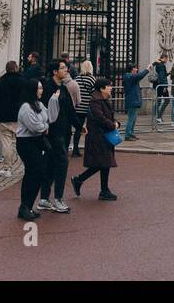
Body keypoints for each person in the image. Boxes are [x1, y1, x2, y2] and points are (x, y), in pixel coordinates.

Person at [71, 77, 119, 200]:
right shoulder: (95, 101)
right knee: (101, 163)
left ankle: (103, 189)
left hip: (102, 136)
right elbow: (100, 118)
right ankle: (81, 180)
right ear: (102, 88)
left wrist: (114, 122)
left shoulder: (101, 99)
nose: (111, 88)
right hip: (98, 137)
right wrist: (113, 125)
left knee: (104, 164)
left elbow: (106, 116)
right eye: (109, 86)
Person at [38, 60, 73, 213]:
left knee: (51, 165)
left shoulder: (63, 88)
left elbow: (70, 110)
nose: (66, 70)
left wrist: (80, 126)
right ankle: (58, 199)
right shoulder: (47, 89)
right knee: (63, 163)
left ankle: (44, 198)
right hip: (52, 133)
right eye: (63, 68)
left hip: (64, 132)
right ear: (54, 72)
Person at [15, 78, 50, 220]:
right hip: (26, 142)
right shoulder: (25, 107)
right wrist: (44, 127)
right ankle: (24, 206)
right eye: (39, 88)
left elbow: (47, 119)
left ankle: (27, 206)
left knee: (37, 173)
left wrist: (44, 126)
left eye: (41, 88)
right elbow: (36, 127)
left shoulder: (39, 104)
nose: (41, 91)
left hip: (36, 142)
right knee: (33, 173)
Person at [0, 60, 25, 175]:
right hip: (20, 117)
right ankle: (27, 166)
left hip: (4, 117)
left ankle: (7, 168)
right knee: (24, 143)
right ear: (16, 68)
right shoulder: (23, 82)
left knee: (7, 144)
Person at [71, 59, 97, 155]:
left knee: (79, 129)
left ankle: (75, 149)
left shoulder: (77, 78)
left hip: (78, 107)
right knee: (90, 128)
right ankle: (89, 149)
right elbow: (94, 93)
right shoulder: (91, 79)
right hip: (88, 107)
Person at [121, 63, 150, 140]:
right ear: (132, 69)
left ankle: (131, 133)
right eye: (135, 68)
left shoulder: (129, 76)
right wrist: (147, 69)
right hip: (132, 100)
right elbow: (140, 76)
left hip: (133, 100)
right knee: (131, 118)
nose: (137, 70)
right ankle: (128, 134)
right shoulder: (129, 76)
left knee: (133, 119)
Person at [152, 52, 172, 123]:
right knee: (166, 100)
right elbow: (162, 76)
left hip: (157, 85)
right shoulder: (161, 65)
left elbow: (162, 75)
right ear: (165, 58)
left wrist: (169, 73)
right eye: (167, 59)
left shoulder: (157, 64)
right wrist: (165, 86)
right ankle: (158, 116)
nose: (167, 60)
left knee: (159, 100)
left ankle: (156, 116)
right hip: (161, 85)